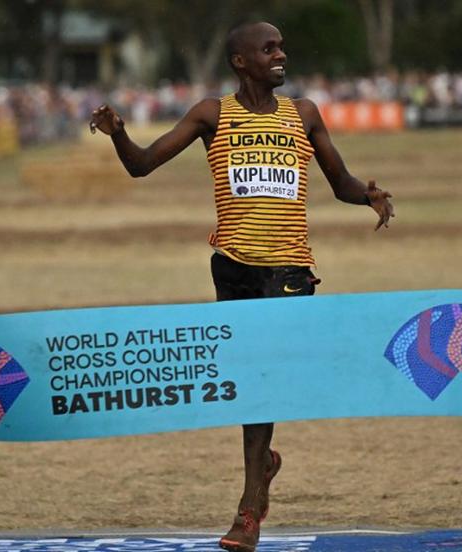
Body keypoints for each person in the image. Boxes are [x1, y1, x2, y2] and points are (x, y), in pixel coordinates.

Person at [89, 21, 393, 552]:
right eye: (268, 48)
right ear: (240, 62)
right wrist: (118, 133)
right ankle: (264, 468)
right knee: (251, 387)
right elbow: (141, 166)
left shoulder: (305, 114)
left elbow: (338, 179)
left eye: (280, 46)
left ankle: (248, 512)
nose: (281, 54)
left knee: (264, 381)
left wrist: (365, 194)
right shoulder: (212, 114)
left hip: (290, 270)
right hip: (232, 268)